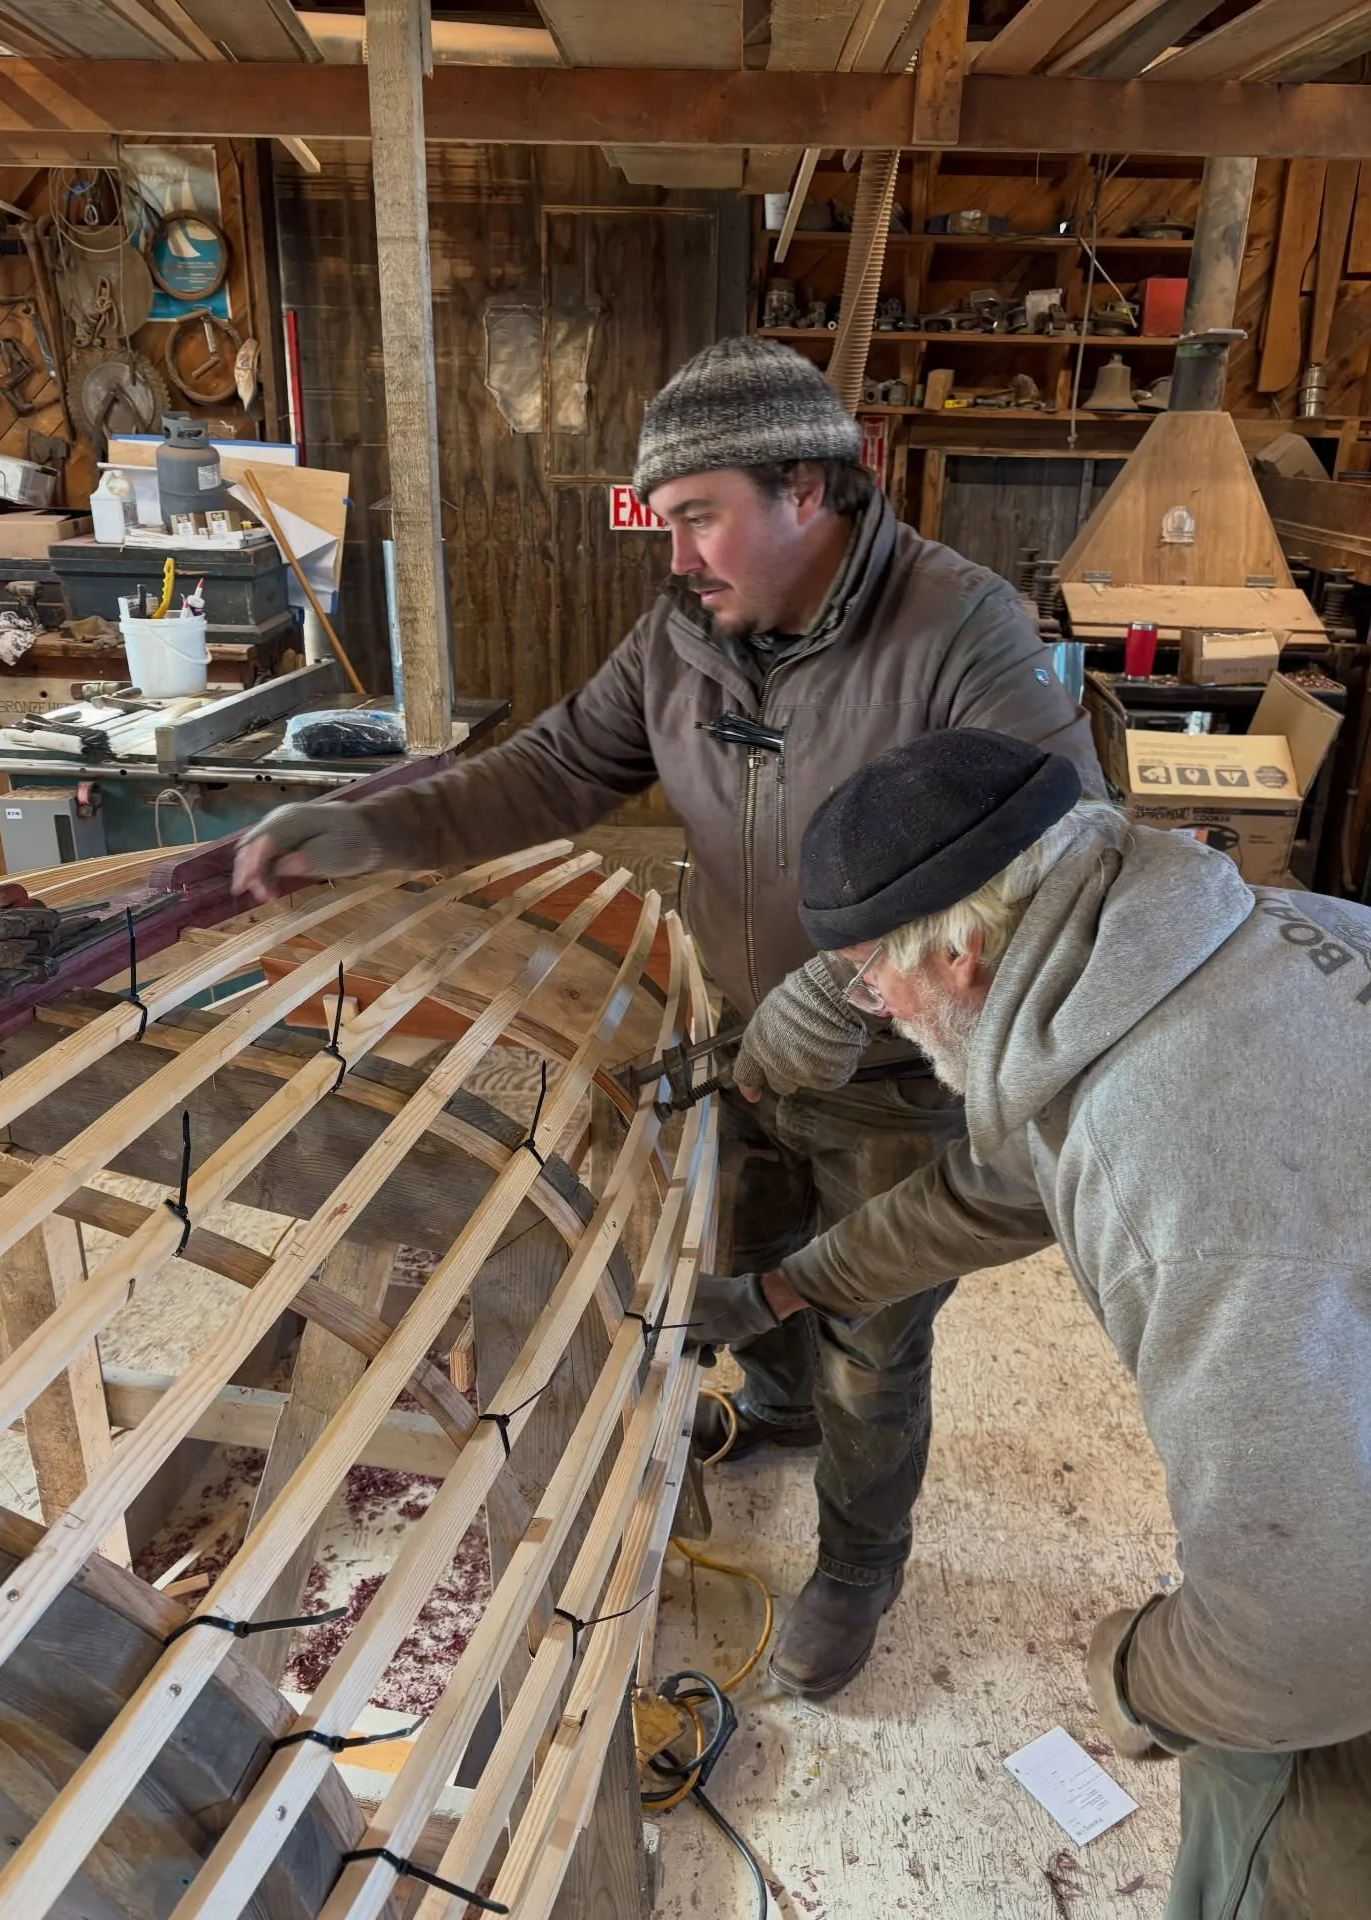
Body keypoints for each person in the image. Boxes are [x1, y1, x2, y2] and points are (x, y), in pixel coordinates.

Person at [232, 336, 1103, 1698]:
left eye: (700, 519)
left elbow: (1056, 843)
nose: (678, 558)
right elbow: (554, 773)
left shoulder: (961, 629)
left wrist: (852, 975)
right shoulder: (683, 639)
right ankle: (775, 1410)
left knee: (877, 1324)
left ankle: (862, 1561)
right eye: (666, 523)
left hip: (895, 1063)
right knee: (746, 1244)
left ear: (807, 492)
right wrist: (368, 832)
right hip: (738, 1032)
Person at [688, 728, 1371, 1919]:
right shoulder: (1242, 941)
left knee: (1270, 1809)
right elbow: (1001, 1188)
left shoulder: (1172, 1160)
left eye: (866, 978)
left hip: (1336, 1632)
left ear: (958, 952)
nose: (872, 1008)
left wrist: (1142, 1677)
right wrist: (785, 1291)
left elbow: (1297, 1639)